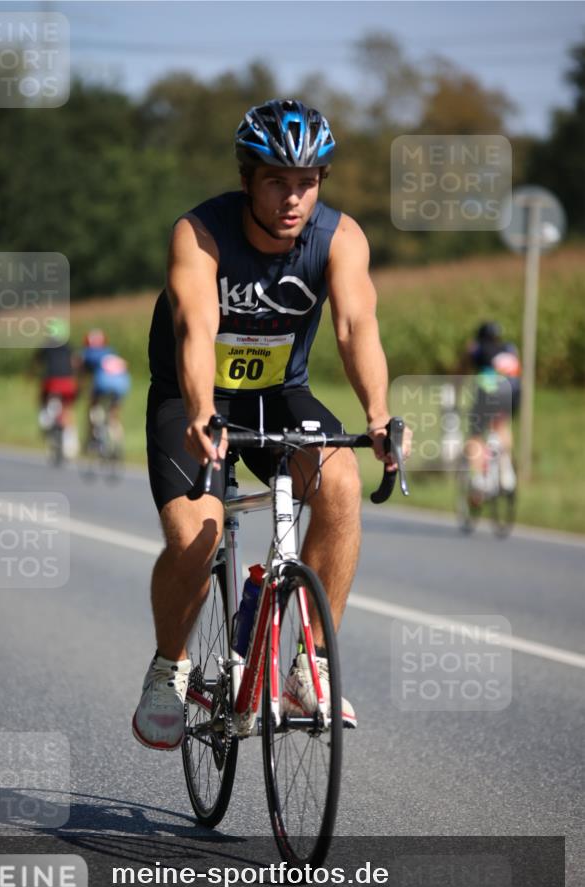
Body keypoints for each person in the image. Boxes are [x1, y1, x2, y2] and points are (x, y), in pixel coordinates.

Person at [133, 98, 409, 751]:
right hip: (192, 397)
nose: (293, 198)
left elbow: (355, 326)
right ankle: (169, 667)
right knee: (196, 539)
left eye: (307, 182)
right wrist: (200, 411)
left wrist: (377, 414)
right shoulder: (200, 233)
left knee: (339, 482)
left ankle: (309, 668)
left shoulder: (339, 237)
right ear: (246, 179)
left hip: (278, 395)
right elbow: (195, 327)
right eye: (276, 181)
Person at [465, 321, 521, 499]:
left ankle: (479, 479)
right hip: (513, 392)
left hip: (488, 392)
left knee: (476, 434)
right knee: (502, 426)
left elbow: (462, 370)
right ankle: (507, 473)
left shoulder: (477, 347)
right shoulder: (510, 348)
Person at [33, 318, 79, 458]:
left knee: (42, 400)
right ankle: (70, 441)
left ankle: (45, 420)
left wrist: (32, 374)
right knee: (67, 409)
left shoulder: (46, 347)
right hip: (68, 383)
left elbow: (36, 363)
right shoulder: (69, 347)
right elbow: (76, 363)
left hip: (51, 382)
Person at [78, 329, 131, 451]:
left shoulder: (88, 353)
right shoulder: (111, 351)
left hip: (102, 384)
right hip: (122, 384)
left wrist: (81, 388)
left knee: (93, 405)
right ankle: (117, 442)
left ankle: (94, 436)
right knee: (113, 415)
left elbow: (82, 372)